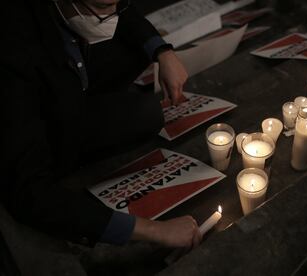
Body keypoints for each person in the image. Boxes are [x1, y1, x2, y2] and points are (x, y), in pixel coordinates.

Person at [0, 0, 202, 249]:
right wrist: (153, 230)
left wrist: (163, 51)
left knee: (147, 110)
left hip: (72, 90)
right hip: (46, 135)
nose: (114, 17)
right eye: (102, 7)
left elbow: (124, 13)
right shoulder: (14, 50)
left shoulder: (89, 8)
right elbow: (27, 192)